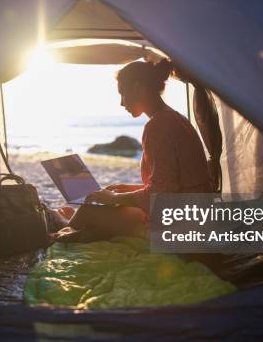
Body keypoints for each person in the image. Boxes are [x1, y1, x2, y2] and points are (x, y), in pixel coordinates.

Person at [52, 58, 212, 242]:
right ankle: (71, 223)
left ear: (138, 88)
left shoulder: (159, 125)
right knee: (101, 213)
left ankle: (62, 222)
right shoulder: (177, 118)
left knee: (89, 210)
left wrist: (113, 198)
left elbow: (162, 194)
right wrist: (127, 190)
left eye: (123, 94)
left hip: (181, 227)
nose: (122, 103)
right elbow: (173, 185)